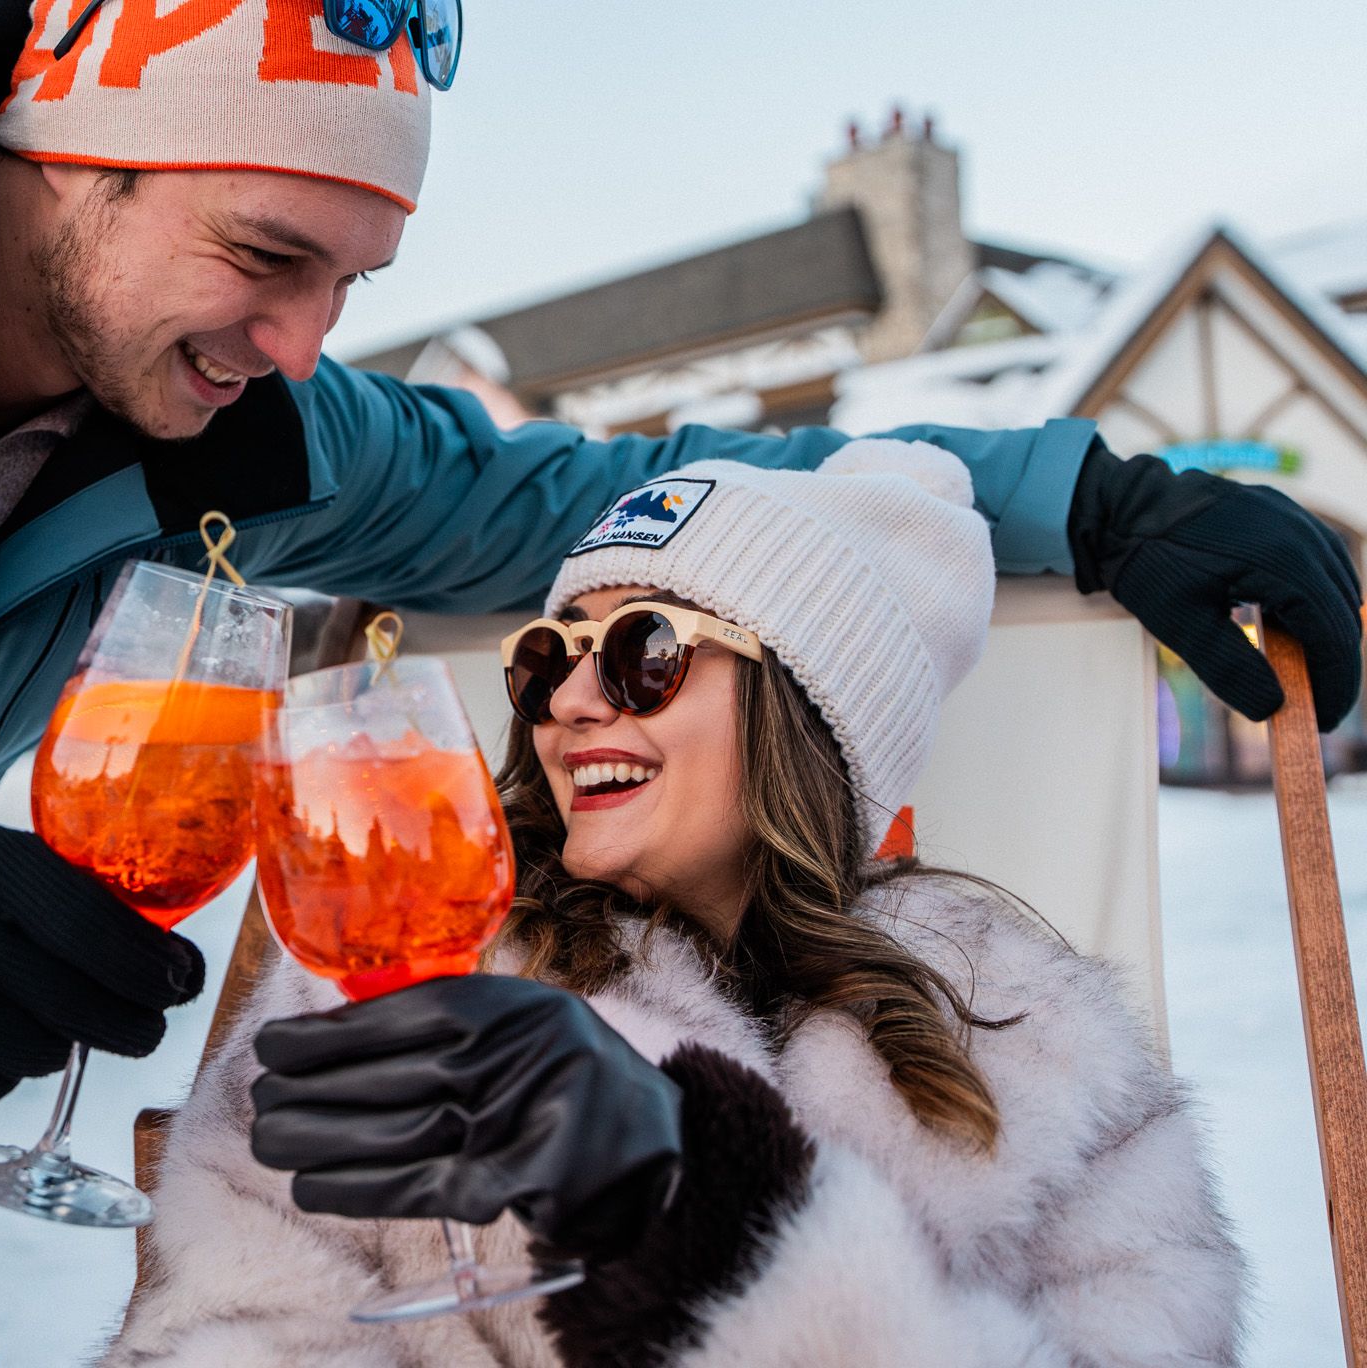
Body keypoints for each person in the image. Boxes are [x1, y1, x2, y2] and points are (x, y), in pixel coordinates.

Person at [0, 0, 1328, 1362]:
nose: (301, 345)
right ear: (72, 153)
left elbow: (611, 500)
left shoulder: (226, 421)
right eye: (267, 256)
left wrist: (1085, 493)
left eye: (345, 290)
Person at [109, 439, 1248, 1366]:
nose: (568, 704)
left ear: (806, 715)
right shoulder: (409, 955)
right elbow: (223, 1330)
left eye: (644, 651)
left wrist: (725, 1230)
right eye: (547, 659)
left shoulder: (1039, 1053)